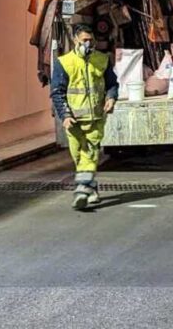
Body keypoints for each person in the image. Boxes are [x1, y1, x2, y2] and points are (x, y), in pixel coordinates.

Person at [50, 24, 118, 210]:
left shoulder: (102, 60)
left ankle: (81, 189)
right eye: (84, 41)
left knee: (89, 154)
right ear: (75, 40)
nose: (88, 44)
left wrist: (111, 98)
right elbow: (57, 92)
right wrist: (64, 115)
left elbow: (112, 84)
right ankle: (91, 187)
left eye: (90, 40)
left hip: (95, 119)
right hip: (73, 121)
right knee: (78, 157)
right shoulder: (64, 63)